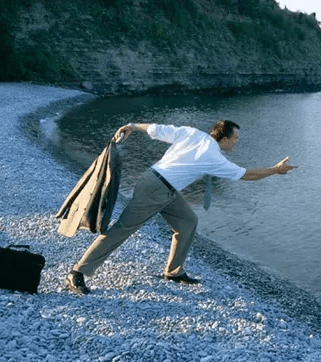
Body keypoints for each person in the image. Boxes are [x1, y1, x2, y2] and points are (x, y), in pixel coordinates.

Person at [65, 120, 296, 295]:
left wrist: (134, 126)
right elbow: (246, 175)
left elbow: (157, 129)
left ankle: (173, 272)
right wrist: (275, 170)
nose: (237, 142)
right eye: (235, 139)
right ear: (224, 139)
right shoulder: (213, 156)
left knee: (187, 222)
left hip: (162, 186)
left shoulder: (193, 133)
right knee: (122, 229)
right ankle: (77, 272)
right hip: (155, 189)